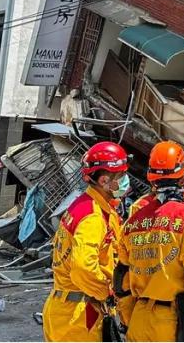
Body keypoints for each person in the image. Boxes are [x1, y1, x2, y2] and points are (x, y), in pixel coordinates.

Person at [114, 141, 184, 342]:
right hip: (172, 322)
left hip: (138, 319)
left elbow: (121, 280)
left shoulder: (132, 222)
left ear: (151, 177)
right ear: (183, 177)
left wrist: (127, 321)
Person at [42, 141, 131, 342]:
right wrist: (107, 293)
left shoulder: (84, 206)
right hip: (79, 317)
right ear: (104, 180)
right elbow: (83, 267)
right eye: (121, 176)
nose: (125, 180)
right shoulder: (92, 217)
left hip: (66, 310)